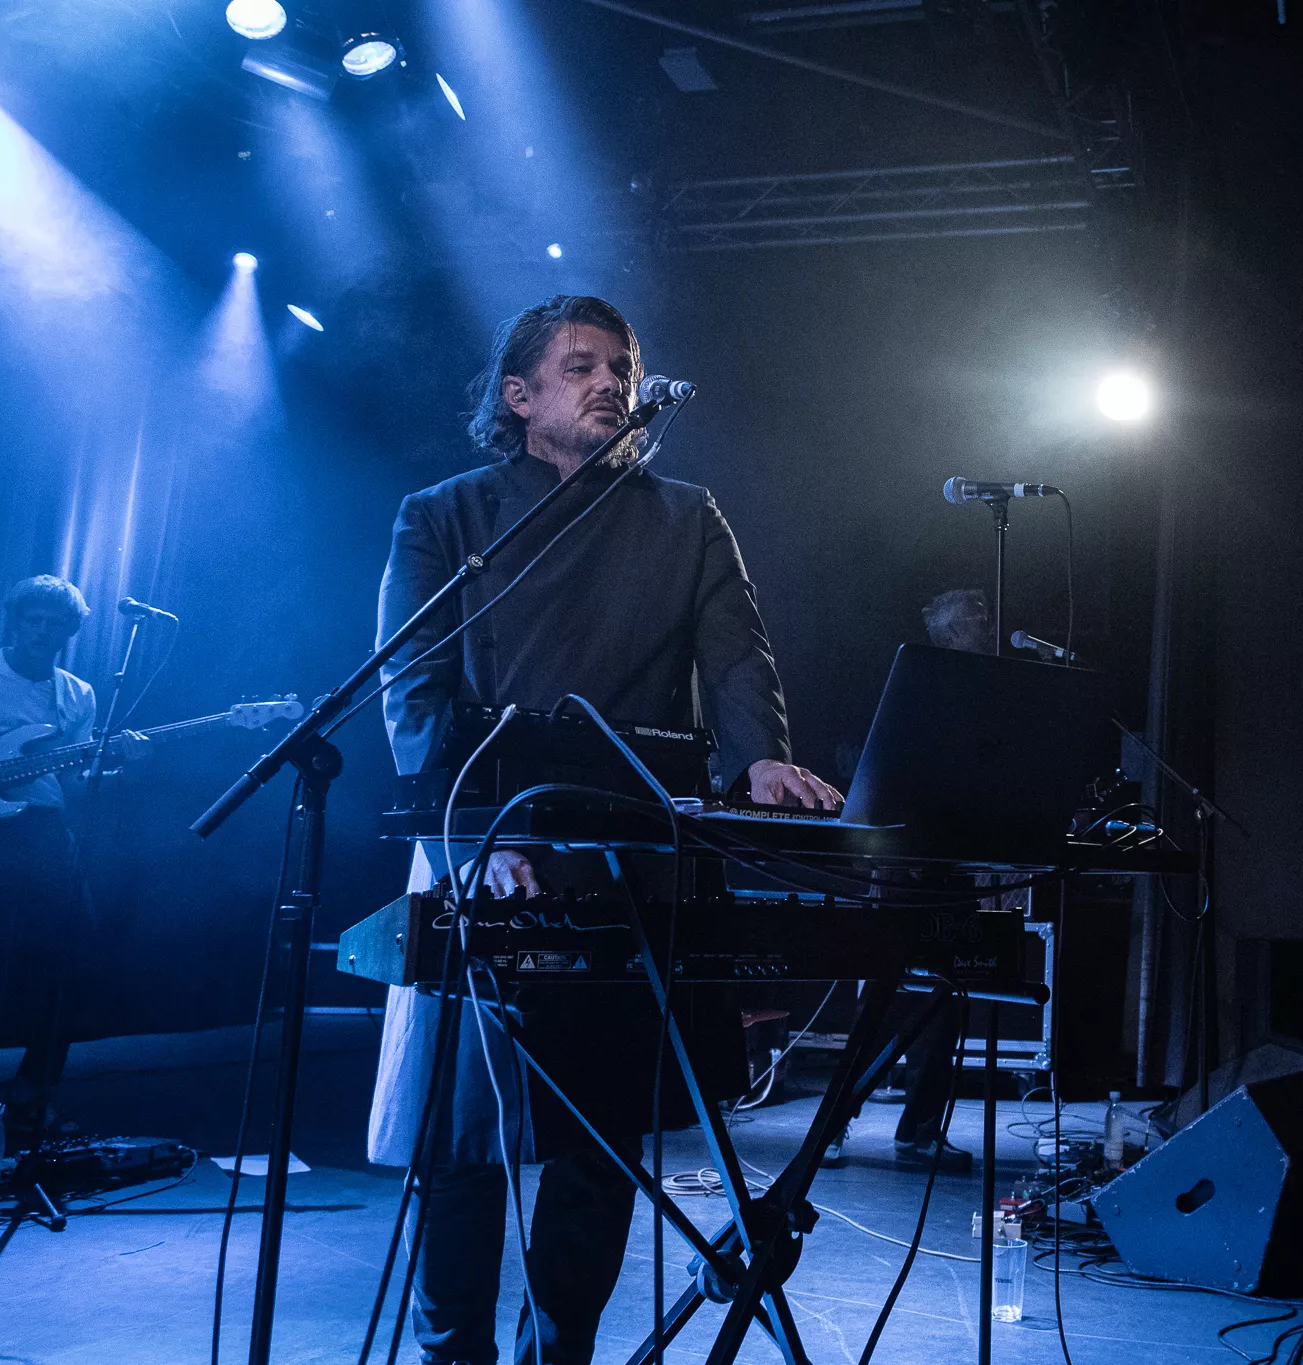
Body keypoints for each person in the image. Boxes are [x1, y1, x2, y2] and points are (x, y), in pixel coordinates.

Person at [367, 294, 840, 1365]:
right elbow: (414, 692)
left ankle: (559, 1353)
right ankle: (451, 1355)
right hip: (477, 844)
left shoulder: (686, 516)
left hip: (624, 856)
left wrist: (760, 755)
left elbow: (737, 658)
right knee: (461, 1137)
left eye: (619, 366)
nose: (610, 382)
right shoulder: (445, 515)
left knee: (600, 1139)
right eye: (580, 365)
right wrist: (474, 842)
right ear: (518, 395)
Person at [0, 575, 147, 1155]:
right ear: (15, 621)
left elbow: (76, 783)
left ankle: (32, 1097)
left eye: (54, 623)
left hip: (40, 830)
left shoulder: (76, 694)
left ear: (69, 632)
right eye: (32, 619)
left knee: (71, 963)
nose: (41, 630)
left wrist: (124, 767)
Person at [821, 588, 1001, 1175]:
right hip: (904, 867)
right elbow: (881, 764)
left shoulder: (986, 692)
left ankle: (920, 1132)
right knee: (881, 1002)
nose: (987, 626)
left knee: (946, 1004)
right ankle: (831, 1127)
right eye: (975, 618)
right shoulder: (919, 685)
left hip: (952, 868)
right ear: (947, 632)